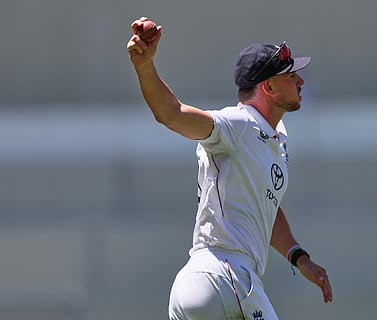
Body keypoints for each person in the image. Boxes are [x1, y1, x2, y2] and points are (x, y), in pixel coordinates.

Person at [127, 17, 333, 320]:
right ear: (269, 86)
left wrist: (298, 256)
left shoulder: (273, 140)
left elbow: (267, 205)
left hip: (198, 284)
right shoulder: (239, 124)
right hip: (224, 275)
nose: (300, 80)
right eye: (290, 75)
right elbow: (171, 114)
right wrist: (145, 67)